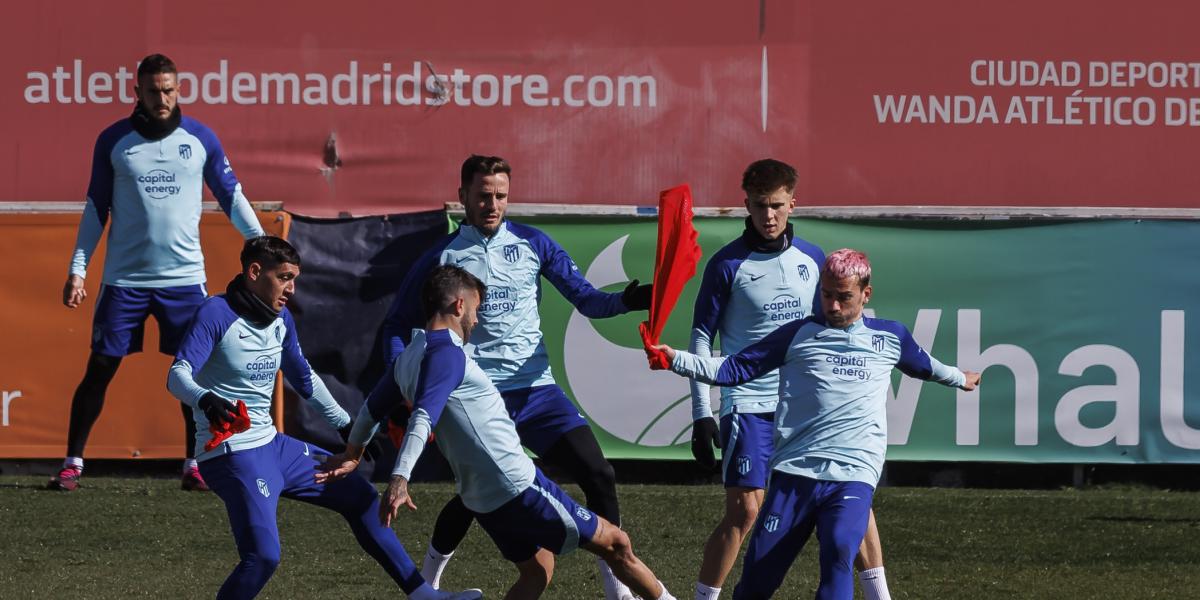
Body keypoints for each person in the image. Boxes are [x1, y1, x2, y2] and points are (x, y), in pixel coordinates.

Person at [378, 155, 651, 599]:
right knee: (473, 497)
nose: (492, 204)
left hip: (538, 391)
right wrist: (403, 387)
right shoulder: (440, 257)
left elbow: (587, 300)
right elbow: (395, 326)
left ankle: (616, 587)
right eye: (483, 195)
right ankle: (428, 582)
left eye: (501, 195)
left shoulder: (533, 243)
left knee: (599, 473)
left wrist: (628, 301)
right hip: (476, 398)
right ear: (462, 195)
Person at [321, 264, 675, 600]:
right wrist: (399, 478)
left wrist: (353, 453)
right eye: (476, 309)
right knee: (617, 543)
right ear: (459, 305)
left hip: (481, 498)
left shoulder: (408, 357)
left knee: (538, 570)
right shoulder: (446, 353)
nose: (477, 318)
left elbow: (369, 411)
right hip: (516, 484)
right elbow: (423, 418)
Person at [655, 249, 981, 600]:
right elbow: (733, 369)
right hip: (796, 473)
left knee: (840, 546)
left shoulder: (890, 337)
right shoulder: (796, 334)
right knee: (758, 579)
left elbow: (926, 366)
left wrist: (961, 377)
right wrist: (674, 359)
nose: (834, 306)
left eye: (844, 297)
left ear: (866, 294)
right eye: (827, 295)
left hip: (853, 473)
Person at [166, 237, 480, 600]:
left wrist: (346, 426)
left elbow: (305, 379)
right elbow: (178, 375)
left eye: (295, 278)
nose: (292, 289)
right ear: (254, 272)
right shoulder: (215, 313)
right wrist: (205, 399)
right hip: (232, 454)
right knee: (263, 556)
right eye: (284, 277)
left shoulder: (280, 318)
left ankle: (421, 594)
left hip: (273, 446)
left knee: (361, 497)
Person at [53, 53, 264, 492]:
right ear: (138, 92)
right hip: (124, 283)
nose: (162, 98)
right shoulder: (114, 140)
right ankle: (73, 463)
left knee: (194, 375)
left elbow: (231, 195)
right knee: (100, 368)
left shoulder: (201, 139)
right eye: (153, 91)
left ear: (179, 89)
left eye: (168, 89)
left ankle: (195, 464)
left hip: (184, 282)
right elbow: (96, 208)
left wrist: (263, 244)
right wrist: (78, 269)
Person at [687, 160, 892, 600]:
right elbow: (701, 336)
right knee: (745, 511)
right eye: (760, 206)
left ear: (793, 204)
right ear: (746, 204)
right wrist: (701, 412)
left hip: (804, 405)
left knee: (853, 496)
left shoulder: (815, 260)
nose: (769, 216)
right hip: (747, 401)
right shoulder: (727, 265)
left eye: (777, 205)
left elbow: (836, 328)